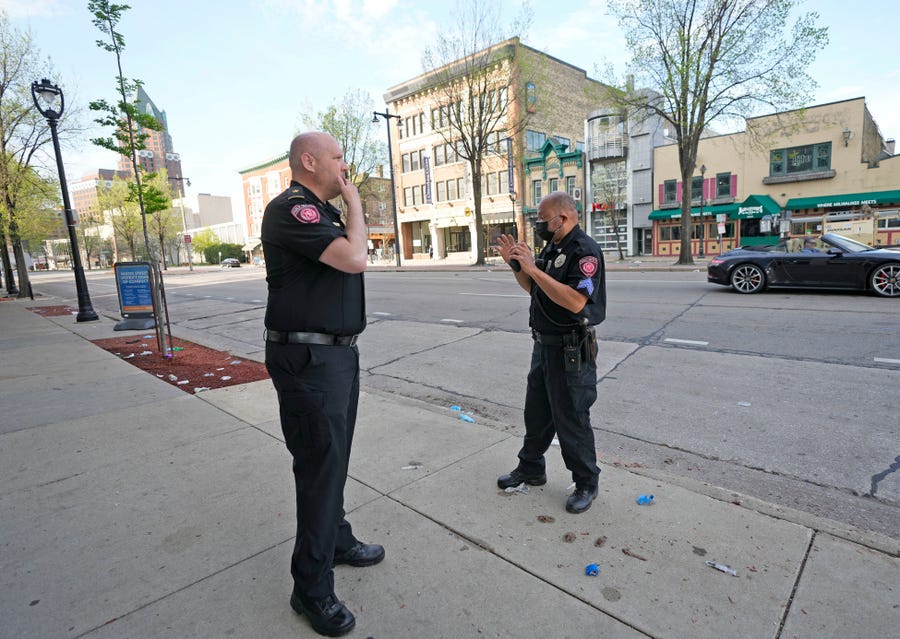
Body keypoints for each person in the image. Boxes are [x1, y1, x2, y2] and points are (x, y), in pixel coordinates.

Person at [261, 131, 384, 637]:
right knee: (319, 468)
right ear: (308, 162)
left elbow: (354, 253)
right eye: (337, 158)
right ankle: (310, 588)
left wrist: (347, 203)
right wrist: (355, 198)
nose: (344, 166)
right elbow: (357, 258)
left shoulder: (323, 213)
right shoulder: (294, 209)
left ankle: (336, 538)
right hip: (308, 359)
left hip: (334, 356)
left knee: (332, 462)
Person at [495, 191, 607, 514]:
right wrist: (517, 267)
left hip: (570, 350)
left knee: (572, 418)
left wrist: (533, 269)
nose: (539, 225)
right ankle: (531, 467)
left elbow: (575, 301)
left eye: (544, 220)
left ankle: (586, 481)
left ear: (565, 218)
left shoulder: (585, 252)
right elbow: (534, 287)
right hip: (543, 346)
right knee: (537, 413)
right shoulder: (553, 246)